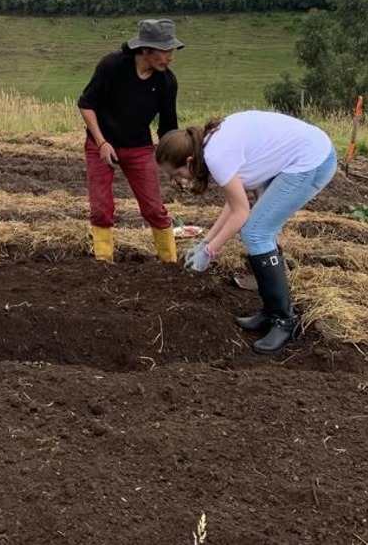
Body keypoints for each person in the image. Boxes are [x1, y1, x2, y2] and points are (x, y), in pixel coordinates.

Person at [155, 111, 338, 354]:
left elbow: (241, 213)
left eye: (176, 175)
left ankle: (284, 321)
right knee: (261, 232)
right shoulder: (211, 145)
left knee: (256, 233)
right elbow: (234, 203)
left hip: (311, 161)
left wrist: (209, 253)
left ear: (189, 161)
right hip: (303, 153)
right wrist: (205, 242)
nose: (176, 181)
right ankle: (271, 310)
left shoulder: (216, 156)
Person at [77, 18, 182, 264]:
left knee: (154, 209)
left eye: (172, 51)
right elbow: (86, 104)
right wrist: (102, 142)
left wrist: (175, 166)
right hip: (100, 145)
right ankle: (104, 261)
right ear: (146, 49)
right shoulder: (112, 66)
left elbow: (168, 129)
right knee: (101, 208)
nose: (170, 57)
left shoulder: (166, 82)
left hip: (140, 148)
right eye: (165, 51)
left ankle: (170, 264)